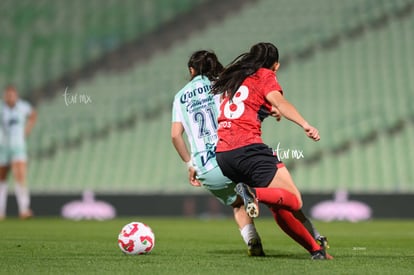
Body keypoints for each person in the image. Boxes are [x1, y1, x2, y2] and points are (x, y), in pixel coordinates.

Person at [212, 42, 332, 260]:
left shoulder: (236, 77)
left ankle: (316, 250)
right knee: (294, 200)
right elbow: (278, 100)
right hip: (249, 150)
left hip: (224, 155)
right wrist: (304, 123)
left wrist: (270, 111)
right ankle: (253, 193)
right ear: (275, 65)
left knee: (281, 206)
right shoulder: (264, 74)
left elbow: (244, 106)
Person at [171, 50, 264, 256]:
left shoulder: (180, 97)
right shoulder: (223, 85)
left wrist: (190, 164)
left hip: (205, 167)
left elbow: (176, 136)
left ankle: (252, 239)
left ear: (191, 70)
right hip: (230, 155)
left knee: (237, 205)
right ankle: (254, 192)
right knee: (262, 183)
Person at [0, 85, 37, 220]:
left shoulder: (23, 106)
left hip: (18, 146)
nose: (10, 97)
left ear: (16, 96)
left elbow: (33, 114)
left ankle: (24, 209)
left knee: (20, 175)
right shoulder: (1, 108)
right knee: (1, 178)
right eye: (8, 95)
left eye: (12, 95)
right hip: (3, 147)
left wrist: (27, 129)